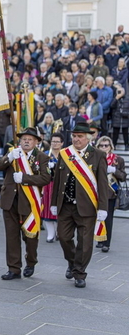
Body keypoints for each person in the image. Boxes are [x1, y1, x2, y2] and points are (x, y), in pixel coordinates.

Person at [51, 123, 108, 288]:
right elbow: (58, 181)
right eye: (74, 136)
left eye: (80, 136)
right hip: (66, 204)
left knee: (85, 242)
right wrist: (54, 202)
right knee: (63, 237)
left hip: (87, 207)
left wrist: (103, 207)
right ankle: (72, 262)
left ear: (88, 138)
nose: (76, 139)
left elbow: (102, 183)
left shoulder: (97, 155)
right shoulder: (65, 153)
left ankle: (79, 273)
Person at [0, 127, 51, 280]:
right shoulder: (13, 152)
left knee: (31, 237)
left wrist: (26, 178)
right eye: (23, 139)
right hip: (10, 201)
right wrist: (9, 158)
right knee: (11, 237)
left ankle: (31, 261)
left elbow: (46, 178)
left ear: (36, 142)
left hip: (29, 202)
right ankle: (14, 268)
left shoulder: (41, 157)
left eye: (30, 139)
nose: (26, 141)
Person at [94, 136, 126, 253]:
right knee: (97, 218)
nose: (104, 148)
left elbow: (123, 177)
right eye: (101, 145)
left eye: (106, 145)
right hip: (96, 192)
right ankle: (100, 239)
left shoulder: (118, 160)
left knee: (108, 219)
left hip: (110, 193)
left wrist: (114, 170)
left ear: (111, 147)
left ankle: (106, 243)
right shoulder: (94, 158)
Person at [41, 133, 64, 242]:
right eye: (53, 141)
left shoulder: (65, 155)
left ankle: (59, 231)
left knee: (61, 208)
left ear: (62, 143)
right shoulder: (45, 154)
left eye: (57, 142)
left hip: (61, 185)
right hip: (48, 184)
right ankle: (50, 233)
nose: (55, 144)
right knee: (47, 208)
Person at [110, 85, 129, 150]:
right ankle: (114, 145)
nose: (120, 92)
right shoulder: (115, 98)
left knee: (125, 133)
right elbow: (112, 106)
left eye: (121, 91)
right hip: (116, 118)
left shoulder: (127, 99)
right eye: (118, 91)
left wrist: (125, 114)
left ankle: (126, 145)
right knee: (115, 133)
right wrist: (116, 98)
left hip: (125, 118)